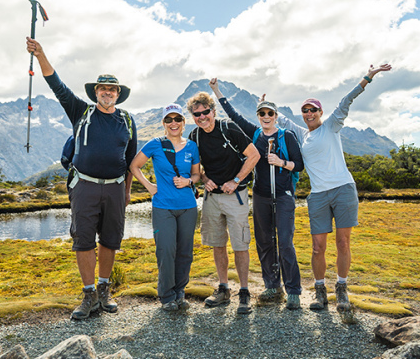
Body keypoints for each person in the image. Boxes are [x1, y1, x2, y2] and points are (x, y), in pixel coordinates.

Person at [26, 37, 138, 320]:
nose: (107, 93)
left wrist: (127, 192)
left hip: (115, 188)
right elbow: (56, 85)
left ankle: (104, 291)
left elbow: (130, 161)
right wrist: (40, 54)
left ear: (117, 94)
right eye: (103, 88)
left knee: (111, 240)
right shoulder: (81, 112)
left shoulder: (127, 121)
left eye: (112, 89)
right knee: (84, 240)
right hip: (84, 186)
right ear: (96, 92)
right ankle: (88, 294)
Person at [274, 64, 392, 312]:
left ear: (320, 112)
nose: (308, 114)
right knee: (318, 247)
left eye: (313, 110)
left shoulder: (331, 125)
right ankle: (319, 292)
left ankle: (341, 289)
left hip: (343, 189)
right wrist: (267, 106)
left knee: (343, 242)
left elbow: (346, 100)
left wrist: (368, 77)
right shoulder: (301, 134)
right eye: (305, 111)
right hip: (317, 195)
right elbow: (281, 120)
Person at [208, 78, 305, 310]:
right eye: (262, 113)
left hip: (283, 195)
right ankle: (272, 286)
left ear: (276, 115)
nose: (266, 117)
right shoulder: (254, 135)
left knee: (285, 242)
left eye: (270, 113)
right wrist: (217, 91)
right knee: (263, 241)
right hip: (260, 195)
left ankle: (293, 291)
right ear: (259, 116)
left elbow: (299, 165)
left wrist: (281, 162)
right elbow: (234, 116)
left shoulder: (287, 136)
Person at [187, 91, 260, 314]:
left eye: (205, 112)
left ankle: (245, 292)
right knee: (218, 244)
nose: (202, 117)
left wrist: (236, 180)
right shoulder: (194, 136)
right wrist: (206, 180)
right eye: (197, 114)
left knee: (240, 245)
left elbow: (254, 155)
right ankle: (223, 288)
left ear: (213, 111)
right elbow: (196, 168)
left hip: (236, 195)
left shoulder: (228, 129)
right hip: (212, 198)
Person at [130, 104, 201, 312]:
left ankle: (180, 292)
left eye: (177, 119)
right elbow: (134, 166)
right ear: (163, 123)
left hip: (188, 206)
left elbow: (197, 175)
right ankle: (167, 295)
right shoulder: (155, 144)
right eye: (169, 120)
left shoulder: (191, 146)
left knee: (185, 252)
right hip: (163, 207)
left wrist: (188, 181)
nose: (173, 123)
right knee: (166, 250)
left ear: (183, 122)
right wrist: (150, 186)